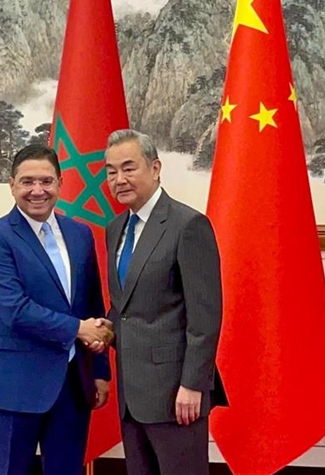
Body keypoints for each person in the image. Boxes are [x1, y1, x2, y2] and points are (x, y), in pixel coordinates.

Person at [0, 144, 114, 475]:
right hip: (12, 388)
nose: (38, 190)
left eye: (46, 181)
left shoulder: (80, 234)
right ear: (12, 185)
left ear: (60, 184)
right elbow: (14, 310)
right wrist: (78, 329)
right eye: (27, 181)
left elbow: (92, 304)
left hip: (72, 387)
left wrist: (100, 370)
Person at [99, 129, 226, 475]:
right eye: (111, 172)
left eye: (129, 168)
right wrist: (102, 330)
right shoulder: (115, 228)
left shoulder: (188, 225)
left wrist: (193, 384)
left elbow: (205, 317)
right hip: (131, 395)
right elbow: (126, 308)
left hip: (176, 395)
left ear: (155, 168)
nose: (119, 180)